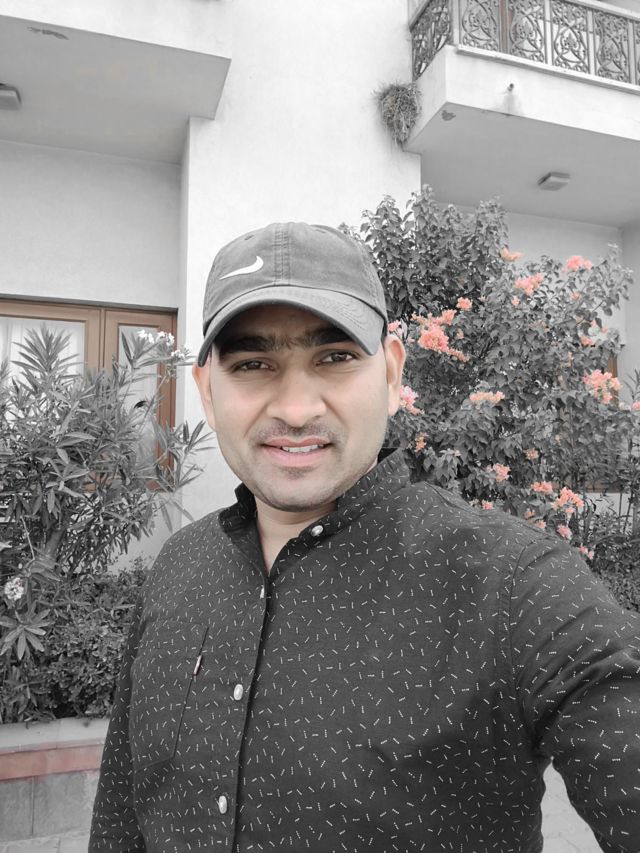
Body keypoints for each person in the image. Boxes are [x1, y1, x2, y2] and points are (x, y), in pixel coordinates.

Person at [90, 222, 640, 853]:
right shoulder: (178, 568)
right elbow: (121, 818)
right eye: (252, 364)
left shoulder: (512, 585)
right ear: (207, 393)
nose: (296, 409)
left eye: (335, 357)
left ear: (391, 374)